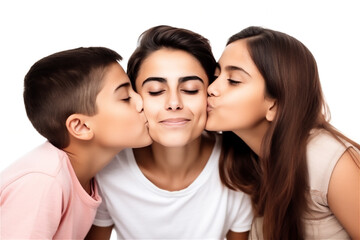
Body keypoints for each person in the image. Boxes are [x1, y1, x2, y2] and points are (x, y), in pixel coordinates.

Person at [86, 25, 253, 240]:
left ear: (210, 93)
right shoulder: (108, 168)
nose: (174, 103)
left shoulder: (237, 165)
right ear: (135, 98)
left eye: (191, 89)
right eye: (156, 91)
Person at [206, 26, 360, 240]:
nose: (211, 88)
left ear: (274, 104)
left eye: (233, 80)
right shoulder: (246, 161)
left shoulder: (330, 163)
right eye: (216, 75)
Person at [0, 47, 152, 239]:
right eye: (125, 98)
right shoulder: (44, 181)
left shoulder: (90, 175)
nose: (142, 102)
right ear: (81, 126)